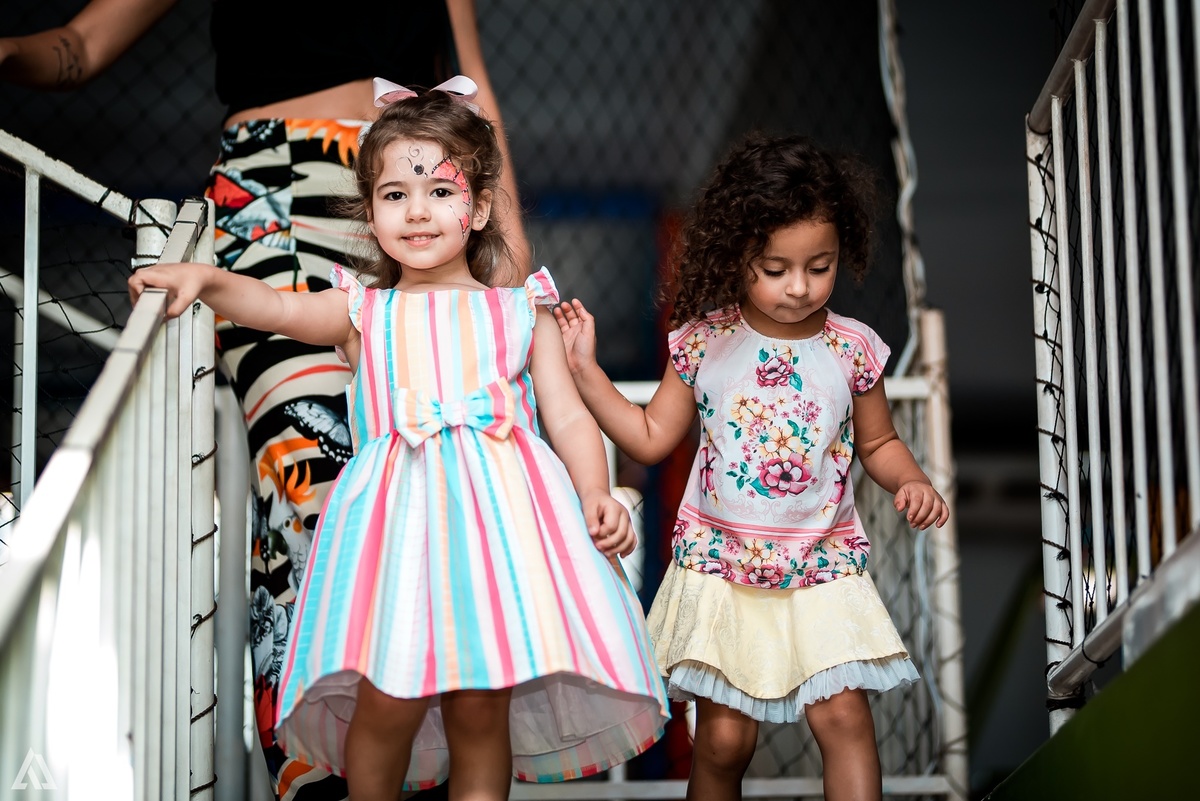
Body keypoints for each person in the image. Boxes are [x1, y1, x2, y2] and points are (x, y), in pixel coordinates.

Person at [3, 3, 530, 797]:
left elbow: (471, 76)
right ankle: (326, 771)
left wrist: (507, 256)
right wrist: (9, 51)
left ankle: (433, 763)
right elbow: (79, 45)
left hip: (420, 186)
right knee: (314, 471)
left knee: (435, 482)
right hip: (273, 191)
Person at [128, 79, 669, 800]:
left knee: (481, 705)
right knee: (387, 699)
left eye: (441, 192)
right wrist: (207, 279)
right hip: (394, 541)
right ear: (370, 210)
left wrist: (596, 490)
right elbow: (274, 307)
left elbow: (568, 417)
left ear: (480, 208)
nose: (417, 211)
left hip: (498, 539)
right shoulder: (363, 310)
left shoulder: (520, 311)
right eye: (394, 194)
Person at [552, 132, 949, 801]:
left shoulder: (852, 349)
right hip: (724, 569)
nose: (799, 286)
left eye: (818, 267)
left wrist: (910, 479)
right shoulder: (705, 341)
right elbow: (649, 436)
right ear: (737, 255)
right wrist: (586, 373)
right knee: (724, 741)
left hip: (822, 566)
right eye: (775, 268)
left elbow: (879, 442)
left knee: (845, 719)